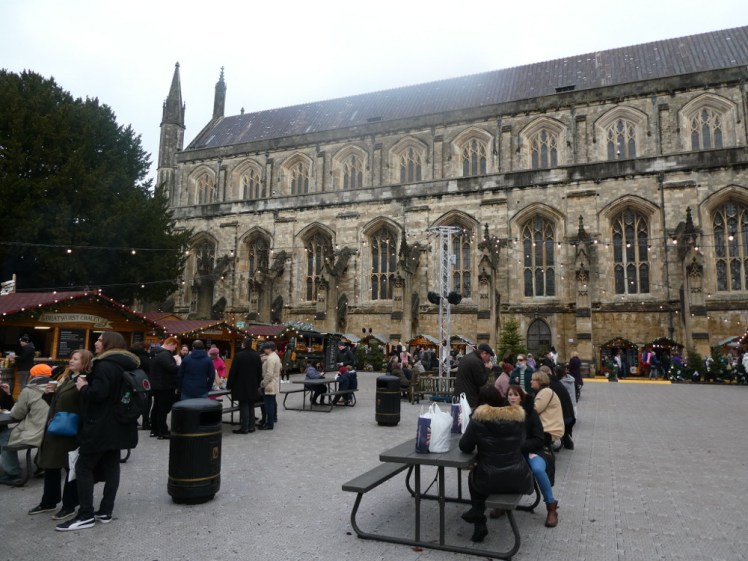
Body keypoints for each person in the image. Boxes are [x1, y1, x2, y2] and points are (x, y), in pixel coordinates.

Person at [56, 331, 139, 531]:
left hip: (100, 425)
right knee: (112, 466)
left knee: (84, 466)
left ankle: (85, 514)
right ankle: (105, 510)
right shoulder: (125, 364)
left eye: (100, 340)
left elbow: (98, 395)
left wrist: (83, 387)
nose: (96, 342)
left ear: (109, 343)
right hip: (119, 424)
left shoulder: (104, 365)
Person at [459, 385, 533, 543]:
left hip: (489, 479)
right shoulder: (517, 418)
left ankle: (478, 518)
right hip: (518, 477)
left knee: (474, 476)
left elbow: (465, 446)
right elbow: (521, 443)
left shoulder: (478, 419)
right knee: (481, 475)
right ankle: (477, 513)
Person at [31, 350, 93, 520]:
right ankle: (49, 501)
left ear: (85, 362)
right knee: (51, 465)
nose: (71, 361)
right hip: (57, 427)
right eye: (71, 358)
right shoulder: (67, 377)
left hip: (71, 429)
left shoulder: (85, 380)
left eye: (75, 359)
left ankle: (69, 505)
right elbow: (59, 402)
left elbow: (87, 404)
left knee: (70, 467)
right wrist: (50, 394)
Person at [506, 385, 559, 527]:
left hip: (534, 450)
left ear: (521, 398)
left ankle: (551, 506)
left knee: (538, 469)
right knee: (502, 467)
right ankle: (502, 504)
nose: (512, 398)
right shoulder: (504, 413)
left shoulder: (531, 413)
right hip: (511, 452)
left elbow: (539, 439)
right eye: (510, 394)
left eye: (516, 395)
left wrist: (521, 445)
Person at [0, 363, 51, 485]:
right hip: (50, 430)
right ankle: (40, 465)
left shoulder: (29, 390)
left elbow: (16, 414)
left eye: (1, 375)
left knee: (4, 436)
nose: (1, 378)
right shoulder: (55, 387)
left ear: (32, 376)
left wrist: (7, 394)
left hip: (36, 432)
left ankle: (13, 473)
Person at [227, 337, 262, 434]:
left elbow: (233, 371)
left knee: (244, 405)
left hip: (241, 385)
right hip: (253, 384)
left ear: (243, 344)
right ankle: (251, 427)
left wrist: (229, 384)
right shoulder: (256, 355)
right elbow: (260, 372)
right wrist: (258, 383)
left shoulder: (239, 355)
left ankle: (244, 427)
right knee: (251, 405)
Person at [149, 337, 179, 439]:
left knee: (156, 408)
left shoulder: (155, 353)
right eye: (174, 347)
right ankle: (163, 431)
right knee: (163, 409)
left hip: (156, 385)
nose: (174, 349)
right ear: (171, 344)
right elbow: (171, 368)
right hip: (165, 385)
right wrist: (180, 366)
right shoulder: (165, 354)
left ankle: (155, 429)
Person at [531, 369, 565, 449]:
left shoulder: (545, 392)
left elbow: (534, 410)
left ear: (540, 381)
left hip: (550, 430)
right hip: (551, 427)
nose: (531, 381)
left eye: (533, 380)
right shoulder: (545, 391)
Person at [453, 343, 494, 409]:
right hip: (469, 399)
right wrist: (488, 369)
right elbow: (481, 381)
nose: (488, 360)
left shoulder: (466, 357)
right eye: (489, 357)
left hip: (459, 396)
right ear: (484, 353)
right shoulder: (477, 362)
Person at [128, 341, 152, 432]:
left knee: (134, 402)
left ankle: (133, 420)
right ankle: (146, 421)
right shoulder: (145, 358)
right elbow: (150, 368)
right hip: (145, 382)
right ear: (144, 349)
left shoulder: (131, 357)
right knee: (147, 403)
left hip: (133, 382)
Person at [258, 342, 281, 430]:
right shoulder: (276, 357)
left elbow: (269, 373)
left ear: (269, 349)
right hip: (273, 383)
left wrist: (263, 383)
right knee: (271, 403)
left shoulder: (271, 358)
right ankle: (271, 421)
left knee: (268, 405)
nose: (264, 350)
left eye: (265, 348)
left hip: (269, 384)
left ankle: (269, 424)